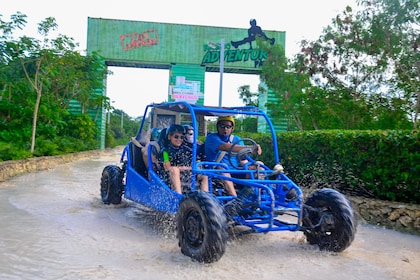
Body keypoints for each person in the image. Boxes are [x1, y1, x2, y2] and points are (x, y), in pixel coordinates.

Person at [205, 116, 262, 196]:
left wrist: (248, 164)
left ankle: (254, 195)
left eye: (228, 127)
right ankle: (235, 200)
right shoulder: (212, 138)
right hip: (217, 172)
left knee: (259, 165)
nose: (225, 129)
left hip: (237, 170)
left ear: (232, 128)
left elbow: (242, 158)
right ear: (217, 127)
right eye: (222, 126)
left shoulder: (236, 139)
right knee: (223, 167)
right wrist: (250, 148)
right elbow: (225, 147)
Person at [160, 124, 208, 194]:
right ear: (169, 137)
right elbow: (168, 168)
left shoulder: (187, 149)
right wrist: (186, 168)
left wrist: (196, 165)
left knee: (204, 174)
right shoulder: (165, 152)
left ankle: (205, 196)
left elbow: (197, 164)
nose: (179, 139)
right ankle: (179, 196)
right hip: (171, 177)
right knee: (174, 170)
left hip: (188, 176)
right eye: (176, 137)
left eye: (181, 137)